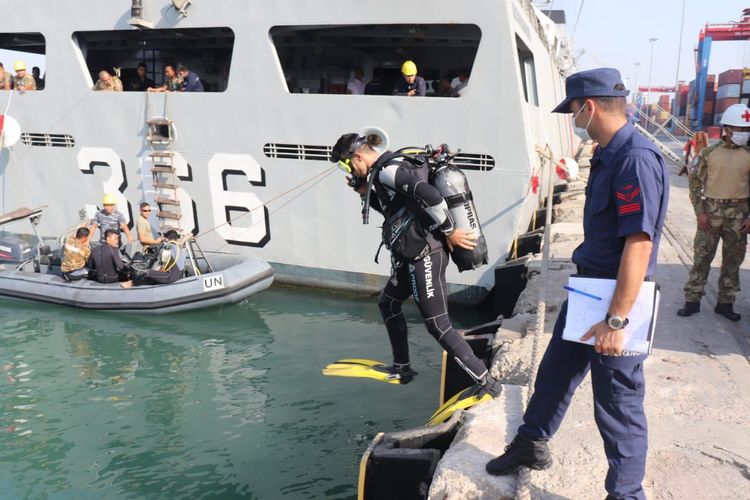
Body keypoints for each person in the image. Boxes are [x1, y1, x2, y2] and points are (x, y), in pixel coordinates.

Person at [485, 68, 669, 500]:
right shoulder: (607, 152)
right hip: (591, 287)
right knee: (555, 373)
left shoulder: (635, 159)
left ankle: (626, 494)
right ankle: (531, 443)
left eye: (572, 110)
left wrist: (618, 319)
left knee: (618, 403)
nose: (571, 118)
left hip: (620, 296)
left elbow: (639, 245)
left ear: (587, 107)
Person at [329, 133, 500, 392]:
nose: (351, 171)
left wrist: (450, 231)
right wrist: (365, 192)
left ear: (358, 156)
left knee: (438, 325)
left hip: (426, 256)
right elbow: (396, 211)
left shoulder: (388, 171)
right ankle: (402, 368)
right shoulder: (380, 174)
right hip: (409, 257)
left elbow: (432, 197)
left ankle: (486, 382)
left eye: (347, 165)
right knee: (388, 303)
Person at [677, 103, 750, 321]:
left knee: (733, 261)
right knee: (702, 257)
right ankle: (692, 300)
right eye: (739, 129)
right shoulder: (709, 153)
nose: (743, 134)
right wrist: (700, 212)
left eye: (746, 130)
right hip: (710, 213)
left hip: (739, 215)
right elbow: (695, 183)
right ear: (726, 129)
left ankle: (725, 303)